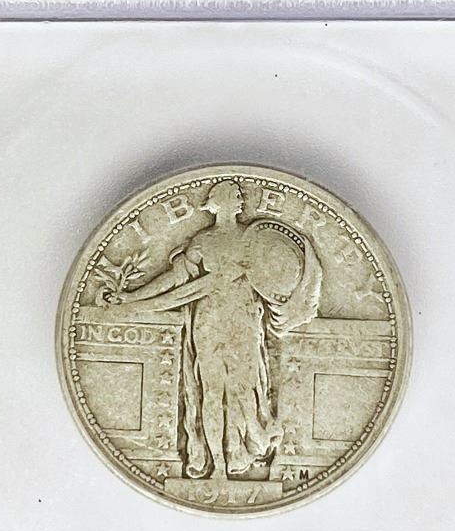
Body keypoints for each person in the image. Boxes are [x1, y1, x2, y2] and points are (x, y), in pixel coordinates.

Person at [102, 181, 320, 479]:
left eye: (239, 195)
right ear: (218, 203)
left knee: (245, 389)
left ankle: (243, 449)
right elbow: (175, 281)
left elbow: (275, 275)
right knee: (212, 393)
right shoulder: (203, 241)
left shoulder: (254, 239)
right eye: (233, 195)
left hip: (244, 320)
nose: (239, 198)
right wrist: (132, 297)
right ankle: (217, 465)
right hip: (209, 322)